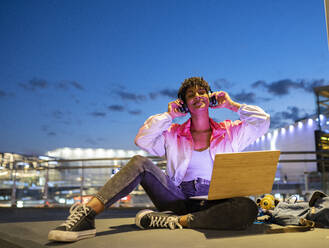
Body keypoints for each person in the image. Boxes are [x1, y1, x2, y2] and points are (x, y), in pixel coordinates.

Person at [48, 77, 270, 242]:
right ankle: (87, 214)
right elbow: (142, 140)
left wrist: (232, 105)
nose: (197, 96)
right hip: (178, 197)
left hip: (217, 200)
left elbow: (262, 121)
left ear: (210, 98)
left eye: (202, 92)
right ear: (184, 103)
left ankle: (173, 221)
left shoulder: (230, 131)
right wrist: (168, 116)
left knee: (247, 208)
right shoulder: (172, 133)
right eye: (190, 95)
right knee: (139, 161)